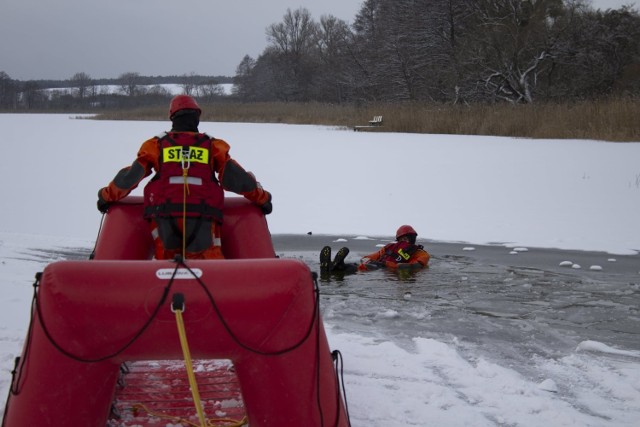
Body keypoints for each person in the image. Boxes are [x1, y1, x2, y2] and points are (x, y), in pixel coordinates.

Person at [97, 95, 272, 260]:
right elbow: (237, 179)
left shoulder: (155, 145)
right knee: (209, 268)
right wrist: (263, 198)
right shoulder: (213, 146)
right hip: (204, 218)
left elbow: (130, 177)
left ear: (172, 117)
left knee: (167, 268)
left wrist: (106, 196)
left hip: (164, 218)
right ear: (197, 116)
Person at [320, 225, 430, 275]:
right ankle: (336, 266)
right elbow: (376, 255)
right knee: (359, 266)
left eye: (406, 239)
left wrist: (394, 266)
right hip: (382, 267)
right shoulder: (390, 246)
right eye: (402, 239)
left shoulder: (420, 253)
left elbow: (417, 265)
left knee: (363, 268)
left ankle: (337, 267)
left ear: (412, 238)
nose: (403, 242)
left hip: (388, 269)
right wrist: (365, 258)